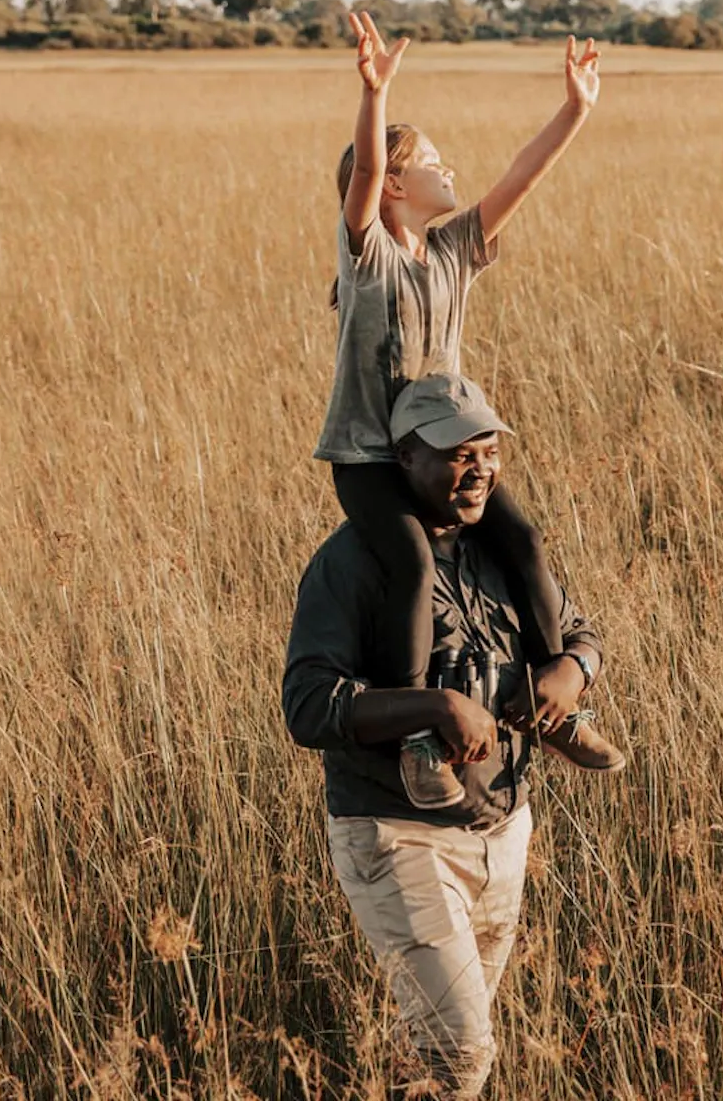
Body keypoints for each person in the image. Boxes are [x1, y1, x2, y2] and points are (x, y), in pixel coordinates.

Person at [315, 12, 622, 800]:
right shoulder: (370, 257)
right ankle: (419, 737)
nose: (451, 174)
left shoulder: (453, 250)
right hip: (373, 458)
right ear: (395, 183)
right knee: (414, 565)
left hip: (444, 446)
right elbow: (358, 181)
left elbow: (519, 179)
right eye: (433, 165)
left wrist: (575, 112)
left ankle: (553, 709)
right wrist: (375, 93)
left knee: (520, 538)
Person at [280, 374, 609, 1098]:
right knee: (461, 1053)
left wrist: (570, 672)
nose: (480, 469)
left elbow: (582, 633)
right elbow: (307, 705)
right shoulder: (351, 564)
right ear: (405, 460)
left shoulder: (498, 549)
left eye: (489, 451)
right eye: (458, 454)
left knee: (432, 1056)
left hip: (504, 828)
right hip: (399, 835)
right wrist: (433, 708)